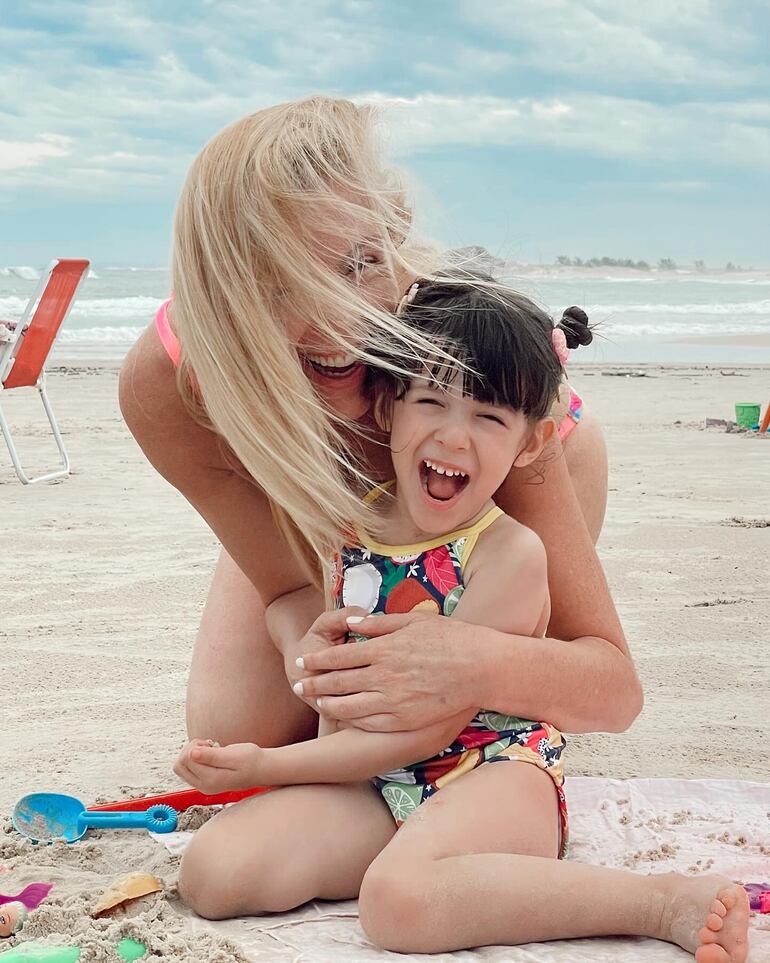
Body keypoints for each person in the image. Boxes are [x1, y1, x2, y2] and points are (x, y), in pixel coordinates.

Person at [173, 278, 749, 960]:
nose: (453, 435)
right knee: (214, 873)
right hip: (376, 779)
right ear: (388, 408)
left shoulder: (509, 555)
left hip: (489, 771)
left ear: (531, 443)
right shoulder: (349, 524)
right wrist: (317, 660)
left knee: (398, 903)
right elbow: (336, 676)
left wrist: (269, 761)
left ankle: (658, 900)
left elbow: (419, 725)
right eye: (432, 401)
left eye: (488, 417)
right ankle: (432, 851)